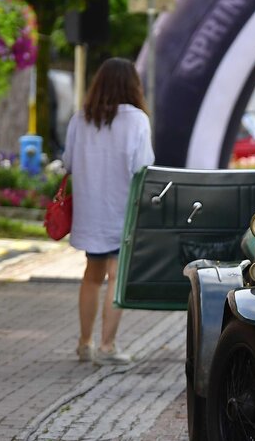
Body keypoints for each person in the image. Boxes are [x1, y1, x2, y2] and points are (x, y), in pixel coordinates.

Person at [62, 58, 155, 364]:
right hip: (122, 208)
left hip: (91, 209)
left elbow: (68, 164)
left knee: (92, 274)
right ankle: (107, 346)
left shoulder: (81, 118)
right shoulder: (137, 120)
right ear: (132, 85)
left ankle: (84, 342)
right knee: (116, 275)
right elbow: (143, 168)